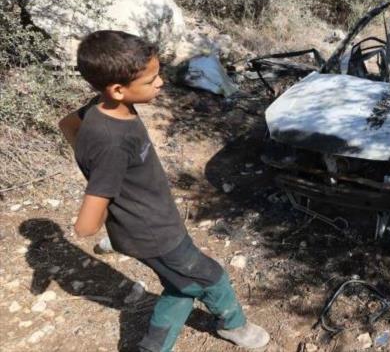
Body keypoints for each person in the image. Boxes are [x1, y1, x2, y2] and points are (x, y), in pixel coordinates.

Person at [58, 30, 270, 352]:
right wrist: (102, 184)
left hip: (148, 225)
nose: (161, 83)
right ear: (118, 89)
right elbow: (85, 225)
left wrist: (100, 174)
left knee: (179, 287)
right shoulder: (112, 144)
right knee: (211, 277)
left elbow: (67, 125)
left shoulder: (100, 108)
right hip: (156, 233)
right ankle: (235, 325)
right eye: (152, 80)